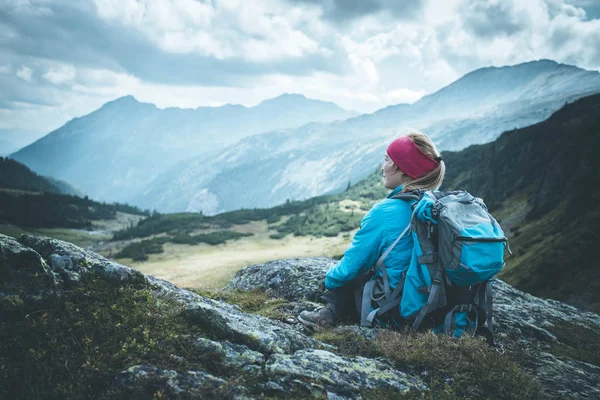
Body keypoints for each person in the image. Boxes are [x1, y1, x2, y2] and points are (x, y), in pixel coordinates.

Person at [298, 132, 445, 329]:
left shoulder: (385, 211)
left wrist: (328, 282)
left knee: (357, 274)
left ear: (400, 168)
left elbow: (350, 267)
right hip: (435, 301)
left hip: (396, 309)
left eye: (386, 159)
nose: (382, 167)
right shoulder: (433, 205)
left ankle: (330, 314)